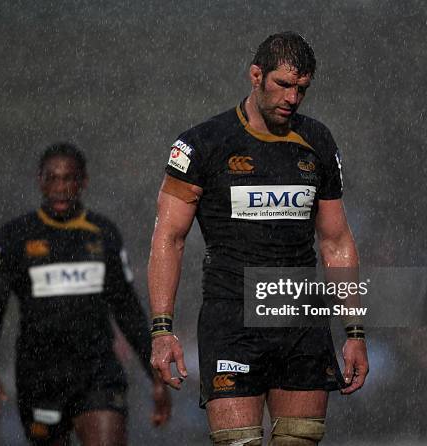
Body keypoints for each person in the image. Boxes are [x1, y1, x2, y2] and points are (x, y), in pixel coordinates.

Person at [148, 32, 368, 445]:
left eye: (301, 89)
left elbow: (336, 242)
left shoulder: (317, 142)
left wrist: (355, 332)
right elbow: (168, 239)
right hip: (231, 318)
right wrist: (162, 329)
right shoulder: (202, 144)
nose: (292, 98)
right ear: (255, 75)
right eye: (283, 85)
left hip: (300, 318)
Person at [0, 142, 170, 446]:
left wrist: (154, 374)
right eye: (52, 178)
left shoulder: (103, 234)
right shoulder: (13, 238)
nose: (60, 187)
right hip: (38, 377)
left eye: (69, 179)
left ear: (83, 182)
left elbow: (128, 309)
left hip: (97, 373)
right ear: (40, 180)